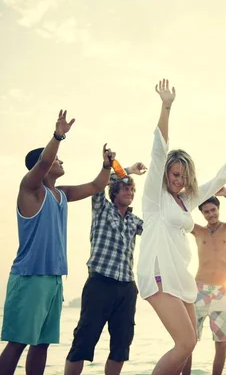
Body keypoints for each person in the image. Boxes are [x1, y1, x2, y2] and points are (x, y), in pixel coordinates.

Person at [0, 110, 115, 375]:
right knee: (18, 343)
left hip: (53, 279)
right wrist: (57, 136)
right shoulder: (31, 189)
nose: (60, 161)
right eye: (56, 159)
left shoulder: (61, 194)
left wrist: (107, 165)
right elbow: (42, 163)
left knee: (42, 344)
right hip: (30, 277)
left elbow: (97, 185)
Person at [137, 79, 226, 375]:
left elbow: (220, 178)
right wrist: (166, 106)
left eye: (183, 175)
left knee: (191, 342)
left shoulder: (186, 201)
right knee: (183, 343)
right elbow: (159, 150)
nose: (179, 179)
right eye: (175, 173)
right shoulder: (155, 197)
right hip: (158, 274)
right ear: (166, 172)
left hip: (181, 277)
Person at [64, 161, 147, 375]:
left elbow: (155, 229)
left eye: (132, 189)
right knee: (83, 341)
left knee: (121, 346)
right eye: (125, 188)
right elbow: (102, 181)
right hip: (100, 284)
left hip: (126, 288)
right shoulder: (101, 208)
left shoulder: (135, 221)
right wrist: (127, 171)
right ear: (115, 192)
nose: (130, 192)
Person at [181, 186, 226, 375]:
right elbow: (179, 216)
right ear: (201, 213)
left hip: (222, 291)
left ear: (218, 209)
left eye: (213, 210)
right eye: (206, 211)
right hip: (199, 290)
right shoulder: (199, 231)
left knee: (221, 341)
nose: (211, 214)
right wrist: (189, 197)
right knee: (189, 339)